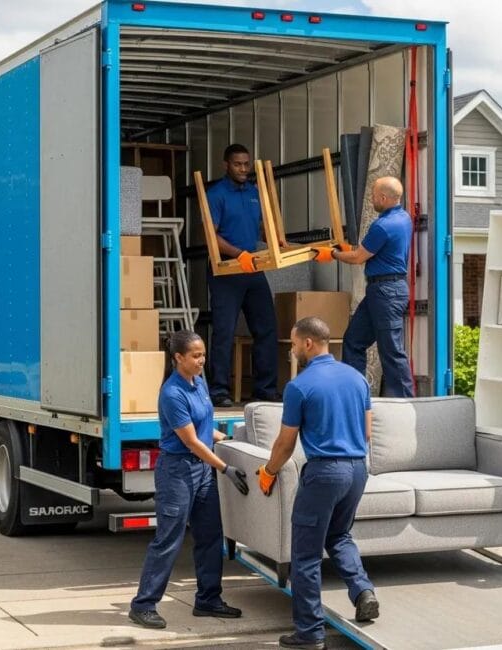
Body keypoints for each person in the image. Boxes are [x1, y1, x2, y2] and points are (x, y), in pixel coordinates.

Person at [257, 317, 379, 650]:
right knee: (339, 535)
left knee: (306, 555)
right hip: (358, 470)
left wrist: (268, 472)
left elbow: (285, 443)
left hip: (325, 473)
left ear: (308, 343)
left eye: (294, 344)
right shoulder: (357, 378)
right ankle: (363, 590)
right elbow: (368, 433)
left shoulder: (300, 386)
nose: (293, 350)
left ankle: (309, 633)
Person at [128, 330, 250, 629]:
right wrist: (226, 468)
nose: (201, 360)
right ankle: (143, 604)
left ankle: (208, 599)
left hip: (202, 471)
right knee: (169, 539)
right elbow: (192, 441)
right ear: (178, 358)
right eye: (195, 356)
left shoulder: (199, 383)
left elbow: (206, 429)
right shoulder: (172, 393)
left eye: (203, 354)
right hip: (178, 471)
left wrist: (234, 439)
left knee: (210, 535)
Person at [312, 176, 414, 397]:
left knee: (391, 350)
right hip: (382, 290)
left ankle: (407, 403)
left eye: (374, 196)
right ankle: (354, 394)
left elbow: (358, 258)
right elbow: (372, 250)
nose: (371, 199)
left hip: (386, 292)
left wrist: (333, 254)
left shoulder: (383, 225)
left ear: (384, 198)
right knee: (354, 340)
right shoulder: (403, 218)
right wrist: (349, 248)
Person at [206, 143, 281, 407]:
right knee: (224, 331)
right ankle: (219, 391)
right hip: (227, 268)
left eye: (246, 164)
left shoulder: (255, 193)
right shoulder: (216, 194)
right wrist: (238, 254)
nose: (243, 168)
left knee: (267, 328)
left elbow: (261, 228)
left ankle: (265, 389)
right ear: (226, 165)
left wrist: (277, 242)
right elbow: (211, 235)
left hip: (252, 266)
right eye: (237, 164)